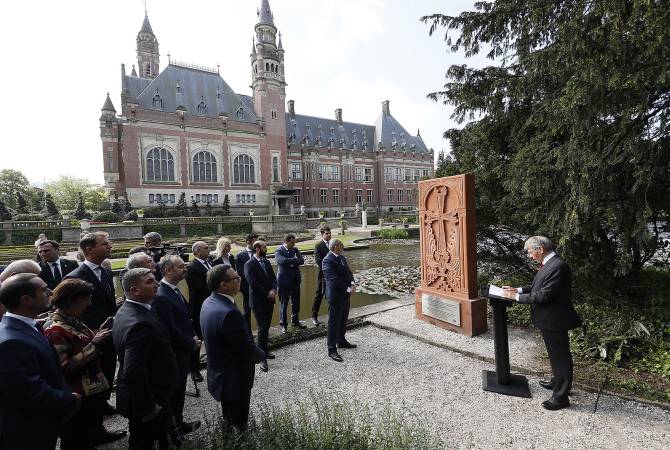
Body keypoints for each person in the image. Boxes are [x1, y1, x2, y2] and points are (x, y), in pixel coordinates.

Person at [0, 274, 81, 449]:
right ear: (26, 300)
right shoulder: (11, 342)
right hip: (28, 432)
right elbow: (28, 391)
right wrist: (68, 398)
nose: (51, 292)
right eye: (44, 290)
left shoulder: (28, 326)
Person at [44, 279, 126, 449]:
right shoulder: (55, 329)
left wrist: (97, 334)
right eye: (86, 299)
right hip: (78, 396)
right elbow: (64, 368)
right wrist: (94, 344)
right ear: (70, 301)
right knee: (76, 438)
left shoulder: (71, 319)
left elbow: (77, 345)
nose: (89, 304)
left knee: (88, 434)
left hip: (90, 392)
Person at [503, 236, 582, 411]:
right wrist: (518, 290)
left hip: (555, 319)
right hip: (549, 319)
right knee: (555, 355)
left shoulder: (558, 266)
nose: (530, 256)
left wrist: (515, 297)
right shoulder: (549, 263)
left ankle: (561, 397)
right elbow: (537, 286)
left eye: (531, 252)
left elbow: (545, 295)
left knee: (561, 357)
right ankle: (556, 382)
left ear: (540, 249)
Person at [113, 268, 179, 449]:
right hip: (148, 399)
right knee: (143, 442)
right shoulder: (140, 323)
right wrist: (149, 408)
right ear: (134, 290)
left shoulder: (128, 310)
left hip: (153, 394)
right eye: (150, 282)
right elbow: (133, 371)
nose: (157, 284)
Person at [200, 264, 265, 431]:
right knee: (239, 420)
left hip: (219, 372)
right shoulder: (229, 312)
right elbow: (244, 346)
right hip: (233, 377)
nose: (240, 281)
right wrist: (261, 354)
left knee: (229, 415)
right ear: (223, 284)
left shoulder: (209, 301)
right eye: (236, 279)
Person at [65, 231, 118, 414]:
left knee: (109, 372)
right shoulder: (75, 276)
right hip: (89, 339)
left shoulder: (105, 271)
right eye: (104, 244)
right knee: (93, 378)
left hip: (109, 334)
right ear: (89, 249)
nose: (109, 246)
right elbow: (71, 313)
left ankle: (102, 405)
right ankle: (94, 423)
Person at [152, 255, 202, 436]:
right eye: (181, 267)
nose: (185, 269)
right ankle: (173, 430)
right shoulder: (162, 295)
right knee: (174, 392)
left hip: (182, 350)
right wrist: (190, 341)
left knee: (179, 391)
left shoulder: (172, 290)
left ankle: (177, 425)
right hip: (175, 353)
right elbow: (169, 328)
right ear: (168, 270)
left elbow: (183, 318)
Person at [322, 238, 357, 362]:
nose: (343, 246)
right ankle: (331, 349)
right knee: (333, 322)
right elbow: (333, 280)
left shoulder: (342, 257)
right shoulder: (327, 260)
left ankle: (341, 341)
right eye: (341, 245)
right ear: (336, 246)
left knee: (343, 319)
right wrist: (348, 289)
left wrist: (352, 283)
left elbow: (348, 272)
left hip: (345, 295)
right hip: (336, 296)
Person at [244, 240, 277, 372]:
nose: (266, 248)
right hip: (258, 301)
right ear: (257, 249)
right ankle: (261, 357)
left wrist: (274, 290)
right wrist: (267, 293)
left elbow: (274, 278)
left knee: (266, 327)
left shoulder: (266, 262)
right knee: (262, 328)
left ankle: (265, 351)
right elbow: (253, 283)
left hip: (270, 299)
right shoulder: (249, 264)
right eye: (264, 246)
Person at [185, 241, 211, 382]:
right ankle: (194, 369)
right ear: (196, 252)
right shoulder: (192, 267)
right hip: (199, 308)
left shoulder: (210, 263)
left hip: (210, 305)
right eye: (206, 248)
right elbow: (198, 289)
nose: (209, 249)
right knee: (198, 339)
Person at [275, 233, 306, 334]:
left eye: (294, 242)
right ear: (286, 241)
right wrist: (294, 261)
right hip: (284, 282)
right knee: (284, 304)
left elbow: (301, 261)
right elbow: (282, 261)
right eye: (292, 243)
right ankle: (284, 325)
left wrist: (292, 262)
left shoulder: (295, 249)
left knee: (296, 303)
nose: (294, 244)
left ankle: (295, 321)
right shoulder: (279, 250)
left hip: (295, 281)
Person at [235, 233, 258, 332]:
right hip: (246, 287)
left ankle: (262, 329)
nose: (256, 243)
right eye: (254, 241)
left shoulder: (259, 253)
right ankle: (248, 331)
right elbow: (240, 272)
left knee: (259, 309)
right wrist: (253, 278)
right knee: (247, 310)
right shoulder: (240, 255)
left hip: (259, 287)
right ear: (248, 241)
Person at [311, 226, 332, 325]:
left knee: (332, 295)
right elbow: (319, 261)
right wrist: (329, 270)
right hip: (323, 275)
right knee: (319, 295)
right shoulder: (318, 246)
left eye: (329, 233)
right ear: (322, 234)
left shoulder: (333, 244)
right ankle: (314, 316)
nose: (329, 235)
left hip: (333, 276)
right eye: (327, 234)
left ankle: (331, 316)